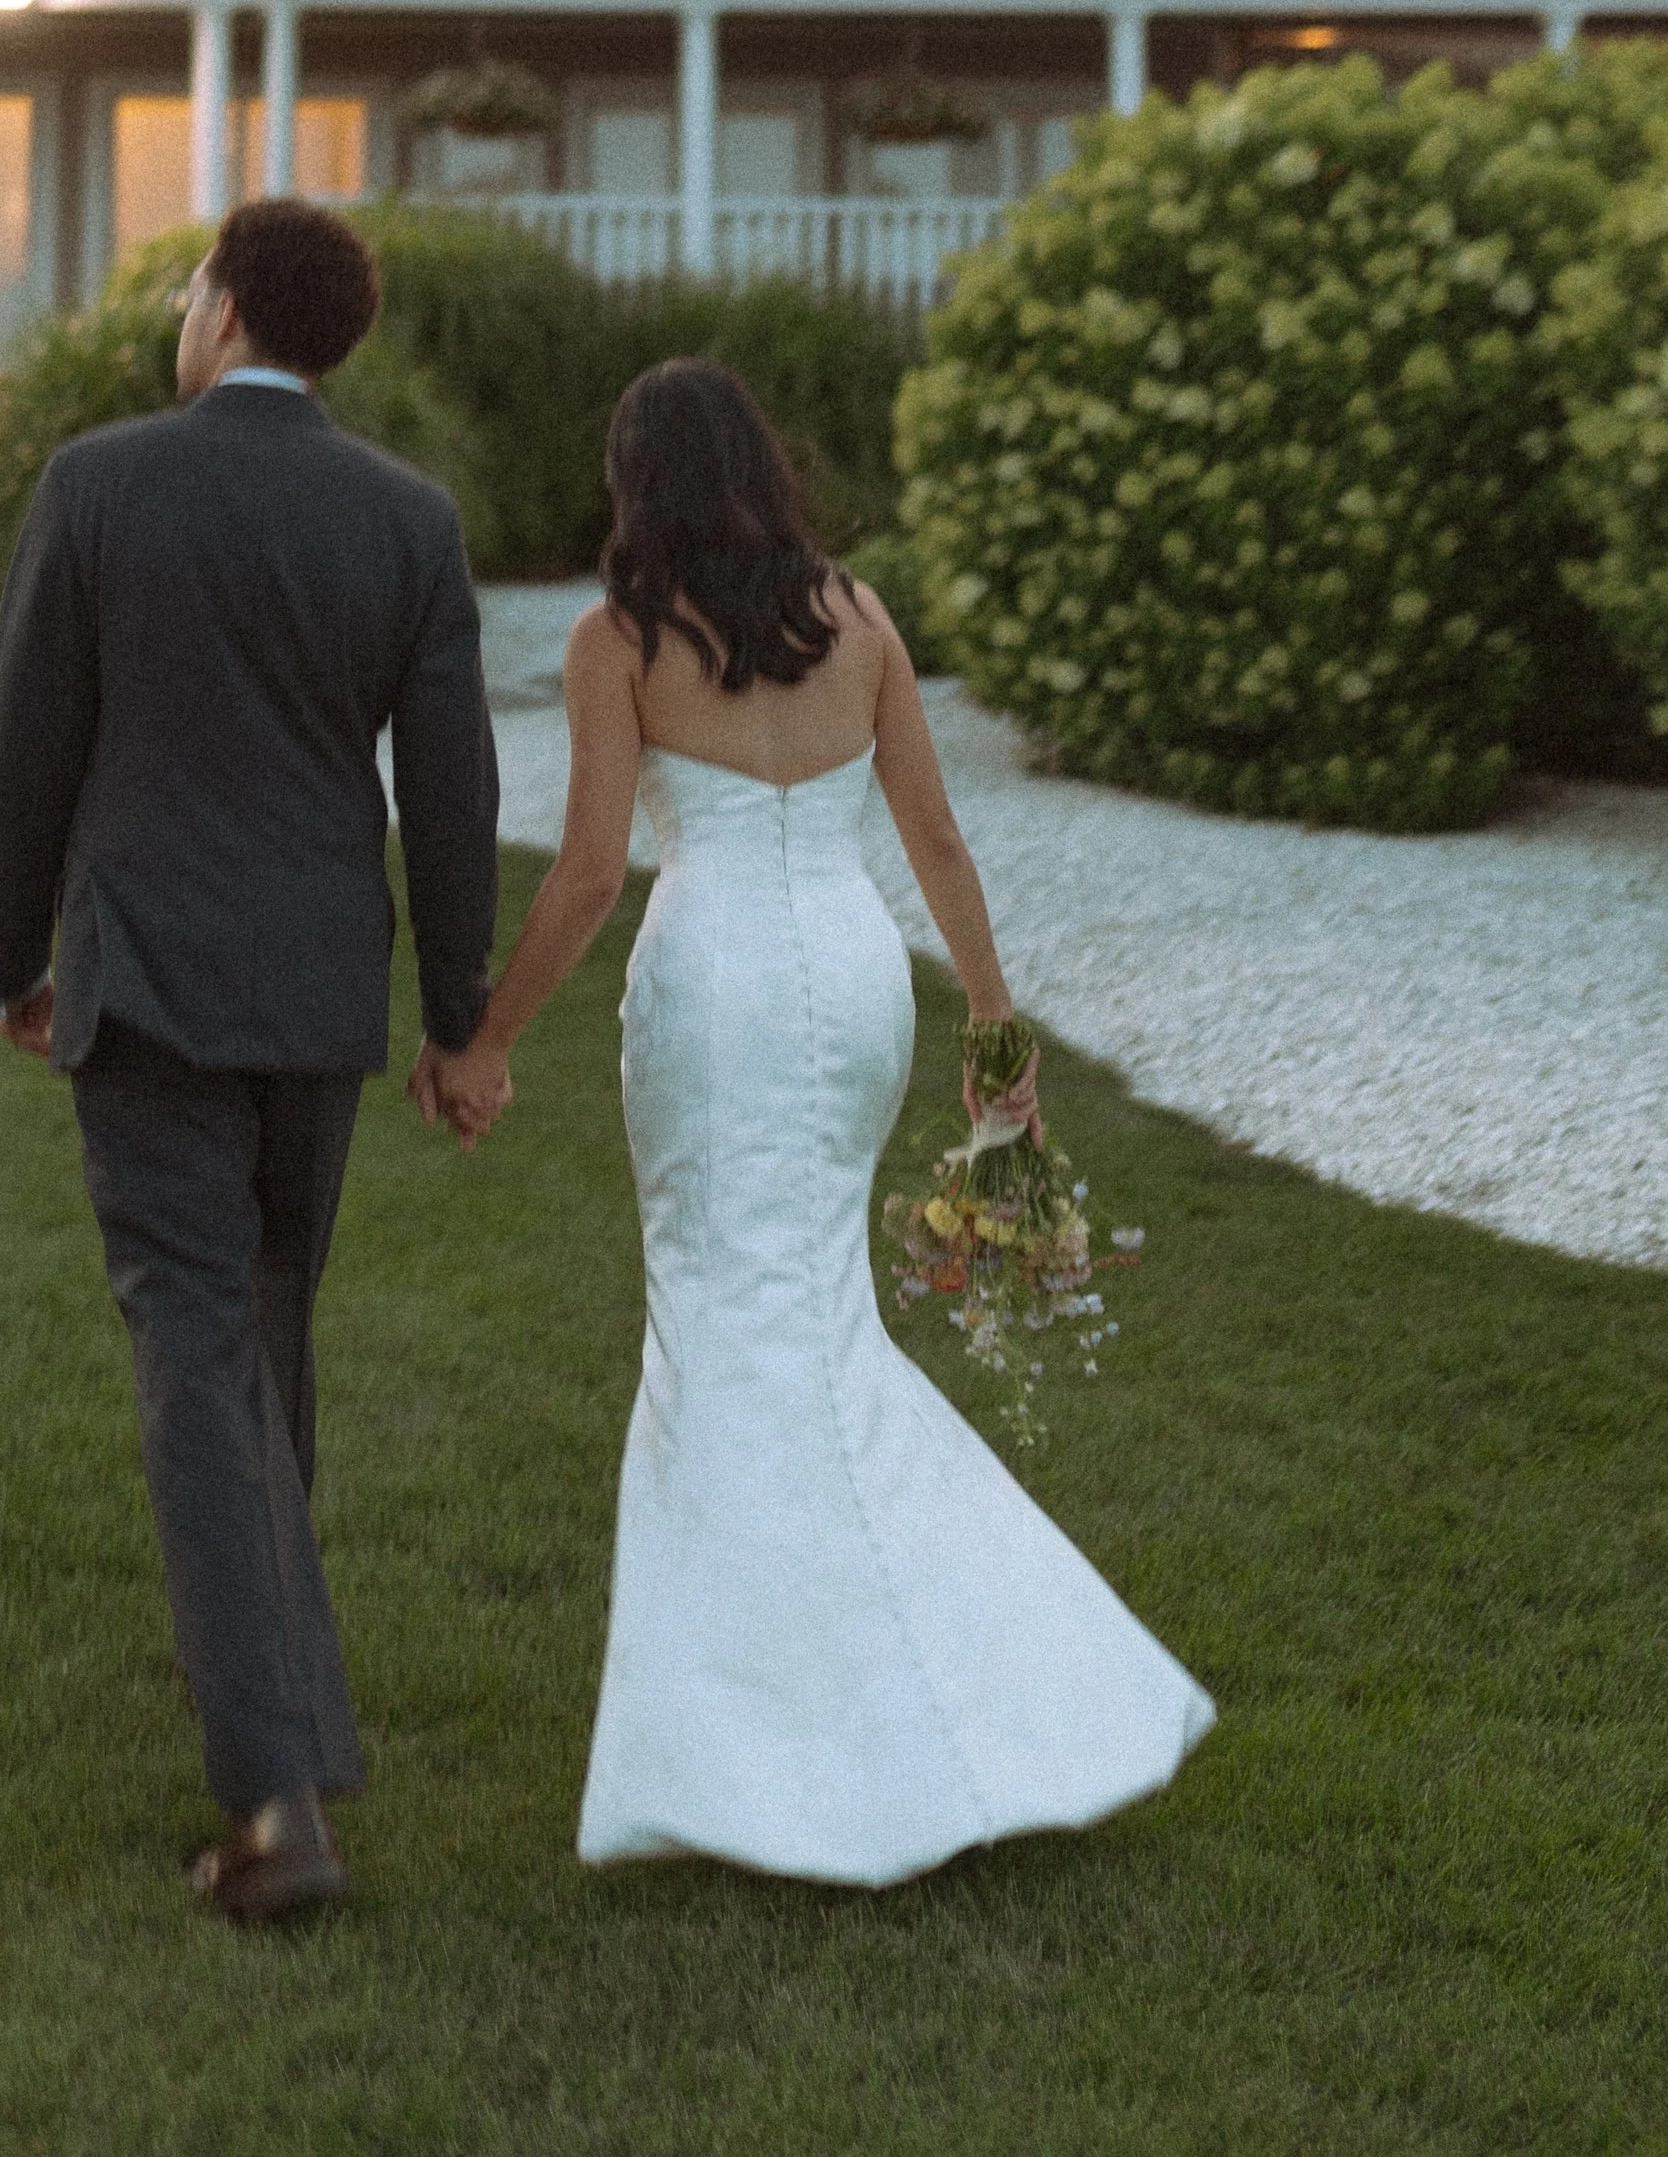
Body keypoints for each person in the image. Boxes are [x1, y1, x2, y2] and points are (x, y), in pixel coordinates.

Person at [421, 357, 1214, 1882]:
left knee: (723, 1328)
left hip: (713, 988)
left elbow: (591, 870)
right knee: (811, 1321)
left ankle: (786, 1750)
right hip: (857, 981)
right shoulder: (857, 618)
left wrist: (487, 1038)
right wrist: (997, 1042)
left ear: (634, 479)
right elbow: (935, 835)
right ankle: (859, 1712)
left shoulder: (620, 638)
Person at [0, 198, 503, 1923]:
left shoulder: (102, 483)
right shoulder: (408, 519)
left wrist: (6, 958)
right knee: (261, 1334)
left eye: (188, 285)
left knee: (200, 1351)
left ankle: (277, 1808)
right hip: (319, 998)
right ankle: (276, 1703)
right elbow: (455, 787)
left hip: (154, 990)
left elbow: (24, 741)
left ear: (222, 309)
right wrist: (455, 1010)